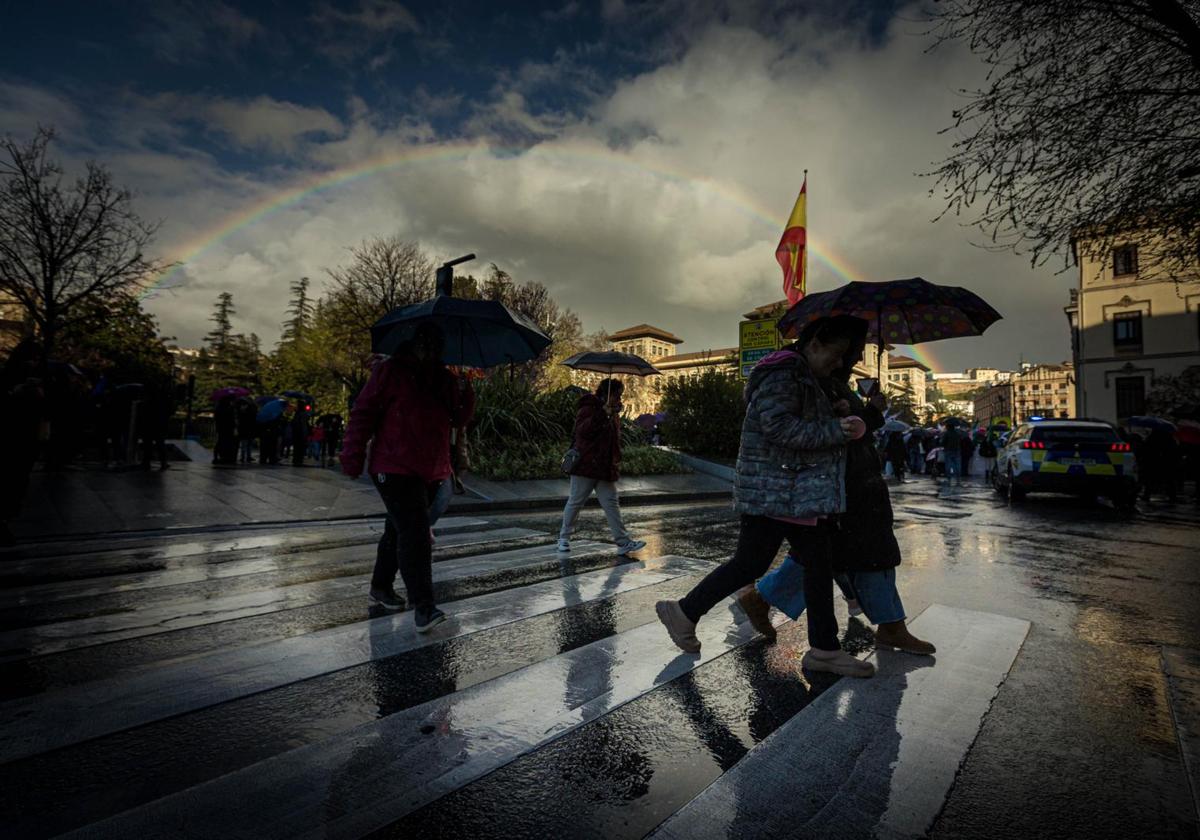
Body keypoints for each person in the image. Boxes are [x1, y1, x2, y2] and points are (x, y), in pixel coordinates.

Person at [655, 315, 873, 678]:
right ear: (814, 343)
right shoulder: (783, 373)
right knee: (759, 564)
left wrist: (835, 411)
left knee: (807, 563)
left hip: (793, 491)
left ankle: (823, 648)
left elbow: (795, 418)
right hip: (777, 489)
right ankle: (684, 611)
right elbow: (779, 428)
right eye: (835, 355)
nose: (838, 364)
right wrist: (834, 428)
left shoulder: (804, 376)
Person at [738, 339, 935, 656]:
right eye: (849, 352)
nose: (854, 357)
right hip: (843, 480)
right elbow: (837, 430)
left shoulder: (832, 382)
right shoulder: (816, 382)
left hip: (857, 478)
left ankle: (764, 599)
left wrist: (866, 412)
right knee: (849, 553)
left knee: (835, 555)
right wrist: (871, 412)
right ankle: (889, 626)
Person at [340, 323, 475, 632]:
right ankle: (423, 606)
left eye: (437, 345)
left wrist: (467, 393)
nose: (434, 350)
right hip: (394, 465)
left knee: (398, 528)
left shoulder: (444, 378)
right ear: (416, 344)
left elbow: (458, 419)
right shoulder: (390, 372)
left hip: (430, 466)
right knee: (415, 531)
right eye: (429, 344)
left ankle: (380, 587)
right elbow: (364, 412)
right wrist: (352, 455)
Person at [557, 379, 647, 556]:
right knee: (576, 502)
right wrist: (602, 414)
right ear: (607, 393)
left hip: (605, 467)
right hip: (586, 465)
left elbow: (613, 439)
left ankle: (623, 543)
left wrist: (615, 458)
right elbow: (582, 431)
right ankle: (563, 538)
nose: (619, 398)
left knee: (611, 504)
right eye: (617, 394)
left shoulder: (613, 413)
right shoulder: (589, 408)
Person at [942, 420, 963, 486]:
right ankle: (958, 479)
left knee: (948, 465)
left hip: (948, 450)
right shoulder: (958, 433)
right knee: (957, 465)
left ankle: (949, 479)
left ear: (948, 426)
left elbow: (943, 443)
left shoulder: (946, 433)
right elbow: (960, 441)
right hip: (957, 450)